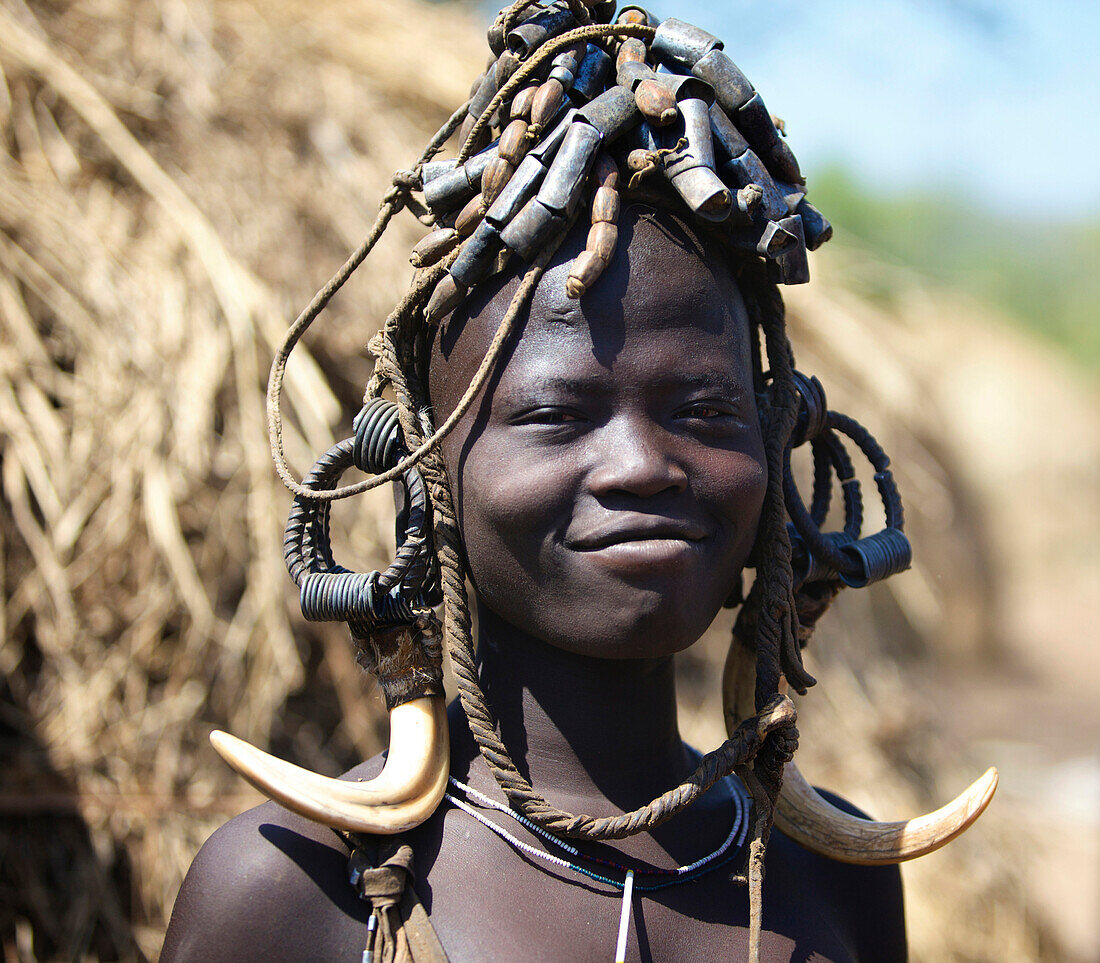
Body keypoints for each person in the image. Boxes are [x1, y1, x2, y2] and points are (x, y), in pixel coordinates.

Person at [163, 4, 994, 960]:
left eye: (706, 412)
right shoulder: (296, 895)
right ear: (423, 466)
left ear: (777, 442)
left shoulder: (834, 883)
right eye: (557, 416)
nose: (643, 465)